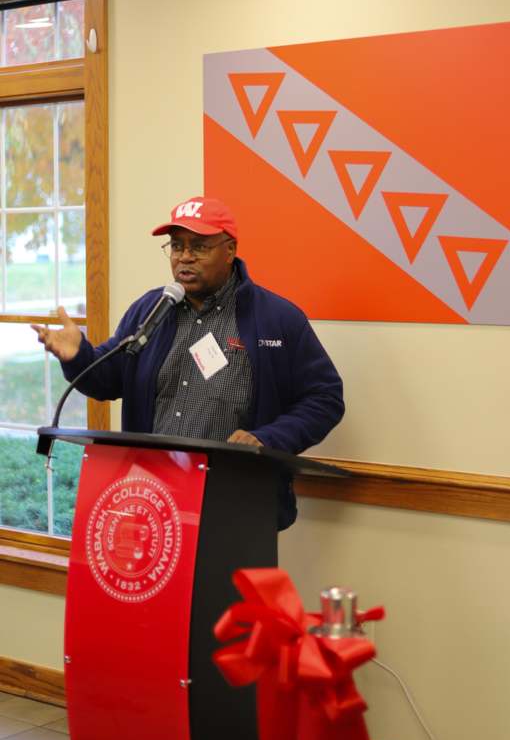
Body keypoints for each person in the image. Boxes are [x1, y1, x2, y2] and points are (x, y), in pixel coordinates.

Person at [32, 196, 344, 529]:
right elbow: (107, 380)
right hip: (151, 499)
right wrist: (79, 357)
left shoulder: (277, 319)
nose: (184, 258)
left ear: (230, 249)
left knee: (224, 584)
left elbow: (325, 399)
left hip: (236, 503)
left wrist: (268, 438)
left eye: (199, 247)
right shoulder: (149, 310)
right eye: (177, 246)